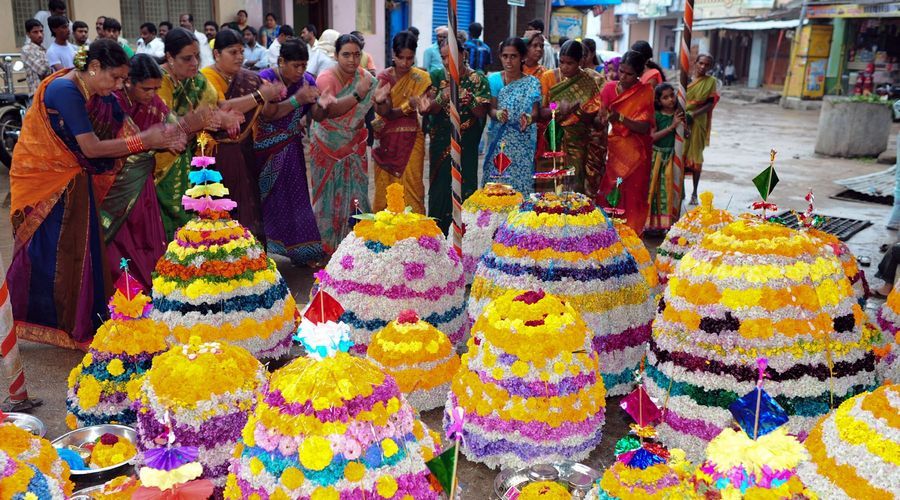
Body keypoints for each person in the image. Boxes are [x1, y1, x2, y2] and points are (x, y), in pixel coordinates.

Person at [8, 39, 183, 348]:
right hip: (49, 179)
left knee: (80, 253)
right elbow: (90, 147)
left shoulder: (94, 91)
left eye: (122, 79)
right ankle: (29, 323)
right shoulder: (66, 91)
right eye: (114, 77)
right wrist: (143, 140)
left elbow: (114, 135)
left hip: (74, 177)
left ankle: (75, 323)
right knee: (47, 255)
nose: (118, 85)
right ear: (93, 67)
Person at [94, 54, 176, 289]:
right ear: (128, 82)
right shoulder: (112, 103)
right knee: (119, 242)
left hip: (142, 185)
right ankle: (122, 292)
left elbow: (172, 125)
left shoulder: (154, 103)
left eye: (156, 89)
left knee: (146, 237)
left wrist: (177, 135)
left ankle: (148, 287)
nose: (152, 94)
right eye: (146, 89)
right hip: (114, 184)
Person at [155, 27, 241, 237]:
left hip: (189, 158)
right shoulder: (159, 81)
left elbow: (217, 107)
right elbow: (166, 128)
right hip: (162, 163)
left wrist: (221, 118)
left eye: (196, 56)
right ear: (169, 57)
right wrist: (202, 122)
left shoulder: (195, 79)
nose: (194, 63)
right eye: (187, 58)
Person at [201, 28, 285, 243]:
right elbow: (222, 107)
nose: (240, 57)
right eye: (233, 52)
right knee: (223, 207)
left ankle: (252, 259)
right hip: (218, 154)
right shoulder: (207, 77)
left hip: (245, 150)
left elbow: (268, 111)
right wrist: (259, 95)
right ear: (217, 54)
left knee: (249, 205)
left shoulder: (248, 78)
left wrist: (281, 96)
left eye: (241, 51)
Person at [256, 39, 326, 266]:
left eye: (304, 65)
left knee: (296, 201)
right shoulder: (266, 78)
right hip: (262, 152)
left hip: (292, 150)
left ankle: (303, 252)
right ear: (281, 61)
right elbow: (267, 114)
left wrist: (323, 103)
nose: (300, 71)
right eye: (295, 65)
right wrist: (297, 100)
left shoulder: (308, 81)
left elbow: (315, 111)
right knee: (262, 202)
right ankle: (258, 253)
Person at [309, 33, 376, 253]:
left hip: (354, 146)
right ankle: (328, 247)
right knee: (329, 199)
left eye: (357, 55)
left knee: (358, 193)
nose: (352, 60)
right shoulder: (326, 78)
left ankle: (358, 245)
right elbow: (331, 111)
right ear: (336, 55)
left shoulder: (365, 77)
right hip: (328, 146)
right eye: (346, 54)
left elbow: (375, 107)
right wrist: (358, 93)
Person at [425, 32, 491, 232]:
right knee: (439, 190)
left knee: (465, 186)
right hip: (441, 143)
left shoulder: (477, 79)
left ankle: (465, 236)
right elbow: (429, 108)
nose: (447, 61)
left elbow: (481, 113)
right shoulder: (436, 76)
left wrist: (469, 100)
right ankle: (438, 236)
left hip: (467, 145)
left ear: (463, 54)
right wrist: (441, 98)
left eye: (452, 56)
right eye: (444, 57)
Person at [584, 50, 654, 234]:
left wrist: (620, 117)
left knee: (633, 194)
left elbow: (644, 127)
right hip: (615, 151)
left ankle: (631, 233)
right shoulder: (608, 89)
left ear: (638, 74)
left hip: (637, 153)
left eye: (629, 74)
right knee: (612, 189)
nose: (623, 77)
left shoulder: (645, 92)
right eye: (621, 71)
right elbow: (600, 121)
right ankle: (608, 233)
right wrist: (599, 118)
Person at [370, 31, 431, 215]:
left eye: (409, 58)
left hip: (412, 139)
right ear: (392, 54)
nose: (405, 63)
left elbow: (425, 107)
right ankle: (384, 234)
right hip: (387, 140)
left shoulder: (421, 78)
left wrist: (423, 107)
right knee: (385, 188)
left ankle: (417, 236)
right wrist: (383, 102)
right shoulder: (384, 78)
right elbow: (386, 113)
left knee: (413, 187)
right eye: (400, 57)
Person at [538, 40, 604, 196]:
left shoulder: (590, 82)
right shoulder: (549, 77)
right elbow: (541, 112)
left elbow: (596, 119)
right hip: (553, 139)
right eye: (561, 62)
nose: (564, 67)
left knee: (574, 189)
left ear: (581, 61)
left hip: (578, 143)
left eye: (570, 63)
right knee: (550, 190)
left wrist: (581, 111)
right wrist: (559, 109)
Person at [484, 37, 541, 195]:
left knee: (519, 186)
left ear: (522, 57)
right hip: (498, 140)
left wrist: (528, 119)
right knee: (497, 185)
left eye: (513, 56)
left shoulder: (532, 83)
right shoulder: (494, 80)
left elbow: (535, 112)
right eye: (505, 56)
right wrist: (499, 114)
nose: (509, 61)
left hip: (522, 142)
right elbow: (491, 109)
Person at [646, 82, 685, 232]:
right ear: (658, 101)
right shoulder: (656, 116)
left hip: (672, 157)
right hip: (657, 157)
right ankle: (652, 224)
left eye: (672, 95)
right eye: (665, 97)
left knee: (669, 190)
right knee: (654, 190)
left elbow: (686, 134)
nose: (670, 100)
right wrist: (671, 126)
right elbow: (652, 137)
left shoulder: (680, 114)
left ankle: (667, 224)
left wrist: (683, 125)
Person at [684, 53, 719, 205]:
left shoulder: (710, 82)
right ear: (695, 63)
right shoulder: (685, 79)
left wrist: (693, 114)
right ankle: (680, 191)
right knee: (681, 154)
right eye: (701, 63)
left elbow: (710, 104)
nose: (703, 67)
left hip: (698, 121)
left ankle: (694, 193)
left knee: (696, 156)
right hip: (683, 120)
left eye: (707, 65)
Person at [21, 19, 50, 95]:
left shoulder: (44, 49)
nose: (40, 35)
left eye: (41, 31)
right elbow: (42, 70)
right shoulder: (26, 50)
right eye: (35, 32)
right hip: (37, 94)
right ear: (28, 34)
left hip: (48, 91)